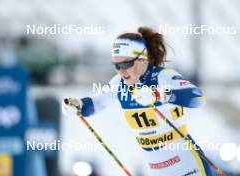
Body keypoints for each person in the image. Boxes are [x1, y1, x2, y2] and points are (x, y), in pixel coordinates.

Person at [62, 27, 216, 176]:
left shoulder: (163, 77)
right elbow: (94, 104)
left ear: (143, 59)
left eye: (126, 64)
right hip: (156, 170)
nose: (122, 71)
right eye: (116, 65)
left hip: (187, 165)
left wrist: (160, 95)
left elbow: (197, 98)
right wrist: (78, 105)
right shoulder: (119, 84)